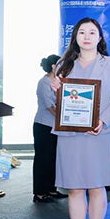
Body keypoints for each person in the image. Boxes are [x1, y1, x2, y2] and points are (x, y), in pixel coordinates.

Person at [52, 18, 110, 219]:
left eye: (92, 32)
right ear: (75, 37)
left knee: (96, 186)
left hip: (99, 133)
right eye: (81, 32)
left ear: (100, 38)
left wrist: (102, 120)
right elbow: (57, 102)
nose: (86, 37)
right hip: (70, 134)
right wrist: (55, 88)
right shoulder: (63, 65)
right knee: (74, 188)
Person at [32, 53, 65, 203]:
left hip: (55, 127)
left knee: (53, 159)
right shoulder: (44, 83)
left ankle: (51, 189)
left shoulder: (59, 82)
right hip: (43, 126)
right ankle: (39, 193)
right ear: (53, 66)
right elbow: (51, 107)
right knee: (43, 159)